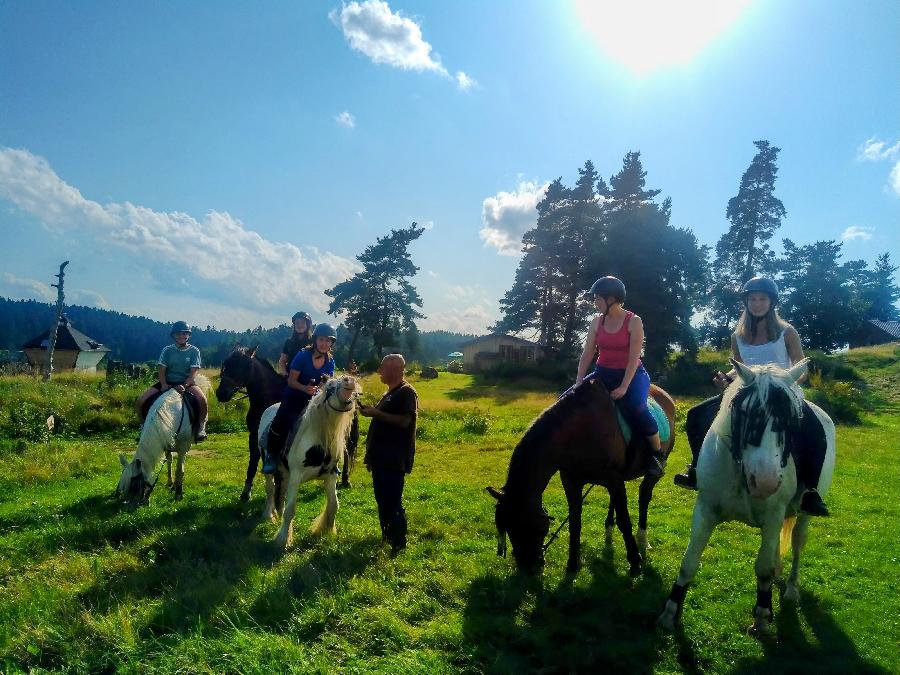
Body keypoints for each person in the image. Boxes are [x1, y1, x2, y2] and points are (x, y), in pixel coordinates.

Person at [673, 276, 829, 516]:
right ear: (746, 302)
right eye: (752, 299)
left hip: (781, 394)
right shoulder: (738, 336)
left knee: (814, 427)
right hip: (748, 393)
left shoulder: (787, 332)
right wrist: (726, 378)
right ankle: (696, 470)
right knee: (696, 414)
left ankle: (810, 490)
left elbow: (801, 366)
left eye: (762, 299)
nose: (757, 304)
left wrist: (784, 384)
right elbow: (739, 366)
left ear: (771, 302)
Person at [575, 276, 665, 477]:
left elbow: (634, 358)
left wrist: (624, 386)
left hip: (632, 375)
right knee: (567, 399)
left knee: (637, 407)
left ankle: (657, 455)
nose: (595, 303)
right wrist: (579, 380)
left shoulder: (633, 321)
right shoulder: (596, 322)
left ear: (612, 299)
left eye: (598, 299)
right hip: (603, 373)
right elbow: (588, 352)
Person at [360, 354, 418, 554]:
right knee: (382, 500)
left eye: (382, 367)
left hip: (394, 459)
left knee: (393, 501)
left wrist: (376, 413)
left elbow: (404, 422)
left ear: (393, 369)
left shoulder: (407, 393)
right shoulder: (390, 393)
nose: (379, 371)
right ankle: (387, 536)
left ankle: (399, 543)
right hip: (380, 459)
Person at [263, 323, 337, 473]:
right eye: (322, 339)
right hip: (295, 395)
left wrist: (320, 391)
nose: (324, 344)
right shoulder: (303, 355)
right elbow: (291, 381)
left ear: (331, 343)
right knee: (281, 420)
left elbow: (326, 382)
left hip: (315, 399)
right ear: (315, 340)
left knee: (332, 423)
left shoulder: (330, 361)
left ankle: (330, 459)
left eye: (328, 341)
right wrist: (305, 389)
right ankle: (271, 455)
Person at [136, 321, 208, 441]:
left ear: (188, 335)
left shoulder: (194, 351)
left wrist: (185, 385)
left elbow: (194, 371)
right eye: (178, 334)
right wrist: (163, 384)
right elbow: (162, 370)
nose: (181, 336)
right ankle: (143, 426)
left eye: (185, 334)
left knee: (202, 400)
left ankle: (201, 426)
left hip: (187, 382)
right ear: (174, 336)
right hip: (167, 382)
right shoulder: (167, 350)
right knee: (141, 400)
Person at [278, 311, 314, 375]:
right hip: (290, 376)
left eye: (302, 323)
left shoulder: (313, 341)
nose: (299, 325)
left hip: (308, 378)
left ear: (307, 325)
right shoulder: (289, 342)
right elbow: (282, 361)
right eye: (297, 323)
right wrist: (284, 373)